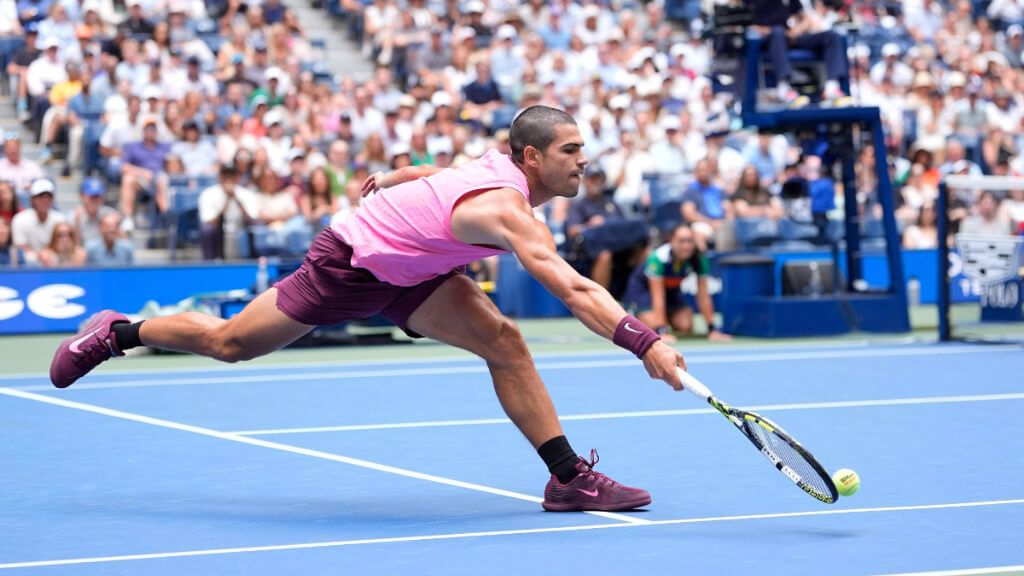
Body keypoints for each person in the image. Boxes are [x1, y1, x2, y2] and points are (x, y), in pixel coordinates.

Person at [50, 106, 687, 513]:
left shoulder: (497, 168)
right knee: (231, 344)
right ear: (531, 158)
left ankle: (568, 477)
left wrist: (407, 173)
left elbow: (452, 169)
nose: (585, 160)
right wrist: (643, 340)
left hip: (417, 270)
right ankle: (118, 333)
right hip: (354, 262)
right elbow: (573, 288)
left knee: (504, 341)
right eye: (572, 150)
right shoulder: (509, 211)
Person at [623, 224, 731, 343]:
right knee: (652, 327)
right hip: (643, 292)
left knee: (685, 325)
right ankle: (637, 313)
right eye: (681, 241)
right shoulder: (658, 258)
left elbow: (703, 295)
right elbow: (658, 296)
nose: (686, 246)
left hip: (671, 292)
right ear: (672, 241)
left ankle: (664, 318)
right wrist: (661, 331)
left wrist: (712, 329)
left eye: (689, 241)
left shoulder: (699, 259)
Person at [11, 177, 64, 263]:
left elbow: (65, 245)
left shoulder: (60, 218)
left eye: (48, 197)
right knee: (29, 258)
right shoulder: (20, 219)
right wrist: (40, 255)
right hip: (29, 262)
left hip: (54, 259)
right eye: (41, 196)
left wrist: (48, 254)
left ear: (53, 199)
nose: (45, 200)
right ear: (32, 199)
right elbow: (20, 247)